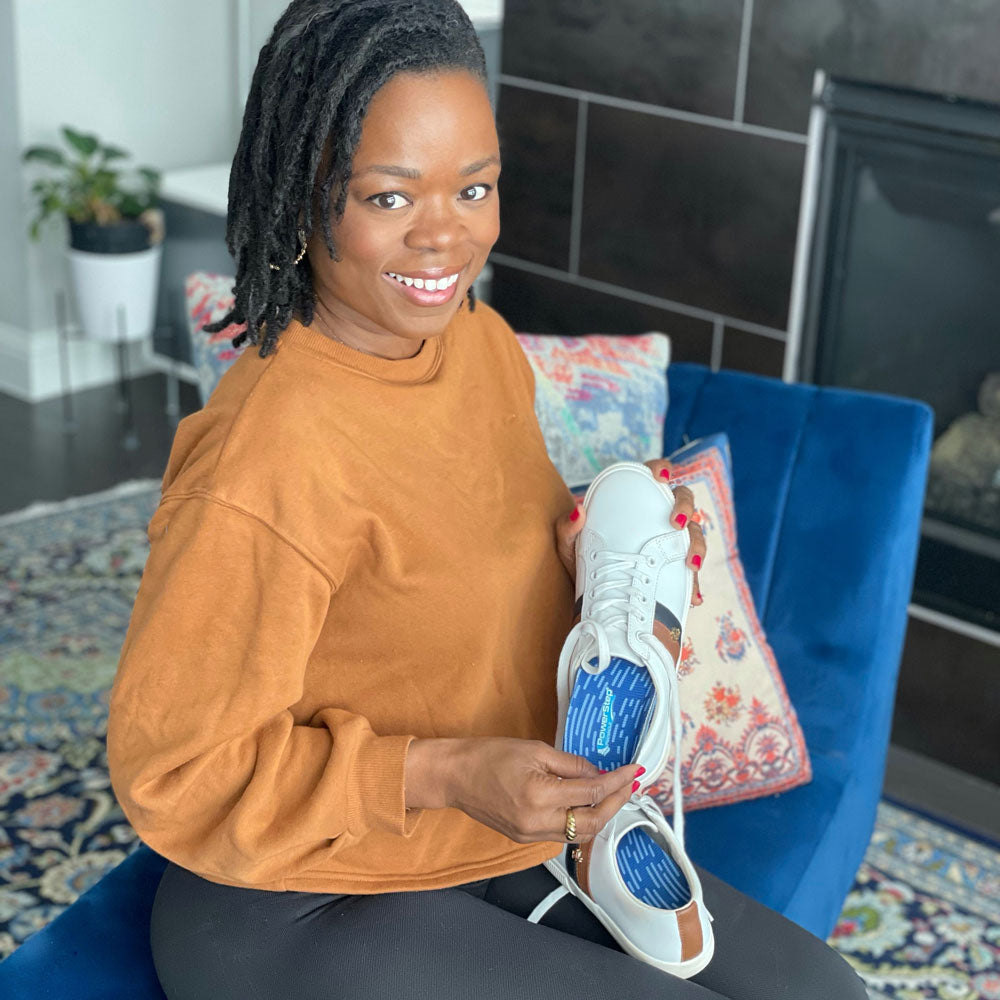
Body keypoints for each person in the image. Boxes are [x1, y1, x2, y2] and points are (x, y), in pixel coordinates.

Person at [106, 2, 868, 997]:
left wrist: (610, 569)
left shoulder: (474, 346)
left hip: (481, 833)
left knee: (828, 992)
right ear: (303, 198)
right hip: (290, 899)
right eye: (387, 198)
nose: (443, 238)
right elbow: (175, 769)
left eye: (473, 187)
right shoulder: (266, 459)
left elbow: (483, 555)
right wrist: (447, 773)